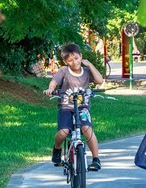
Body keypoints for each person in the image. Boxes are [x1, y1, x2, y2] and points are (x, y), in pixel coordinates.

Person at [45, 43, 105, 171]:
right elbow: (54, 81)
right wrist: (51, 89)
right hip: (66, 107)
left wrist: (89, 64)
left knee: (87, 129)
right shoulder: (64, 71)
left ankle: (96, 159)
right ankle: (57, 148)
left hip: (82, 107)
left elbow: (99, 81)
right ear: (66, 62)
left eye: (76, 58)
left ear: (81, 56)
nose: (74, 62)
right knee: (63, 132)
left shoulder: (87, 72)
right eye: (70, 60)